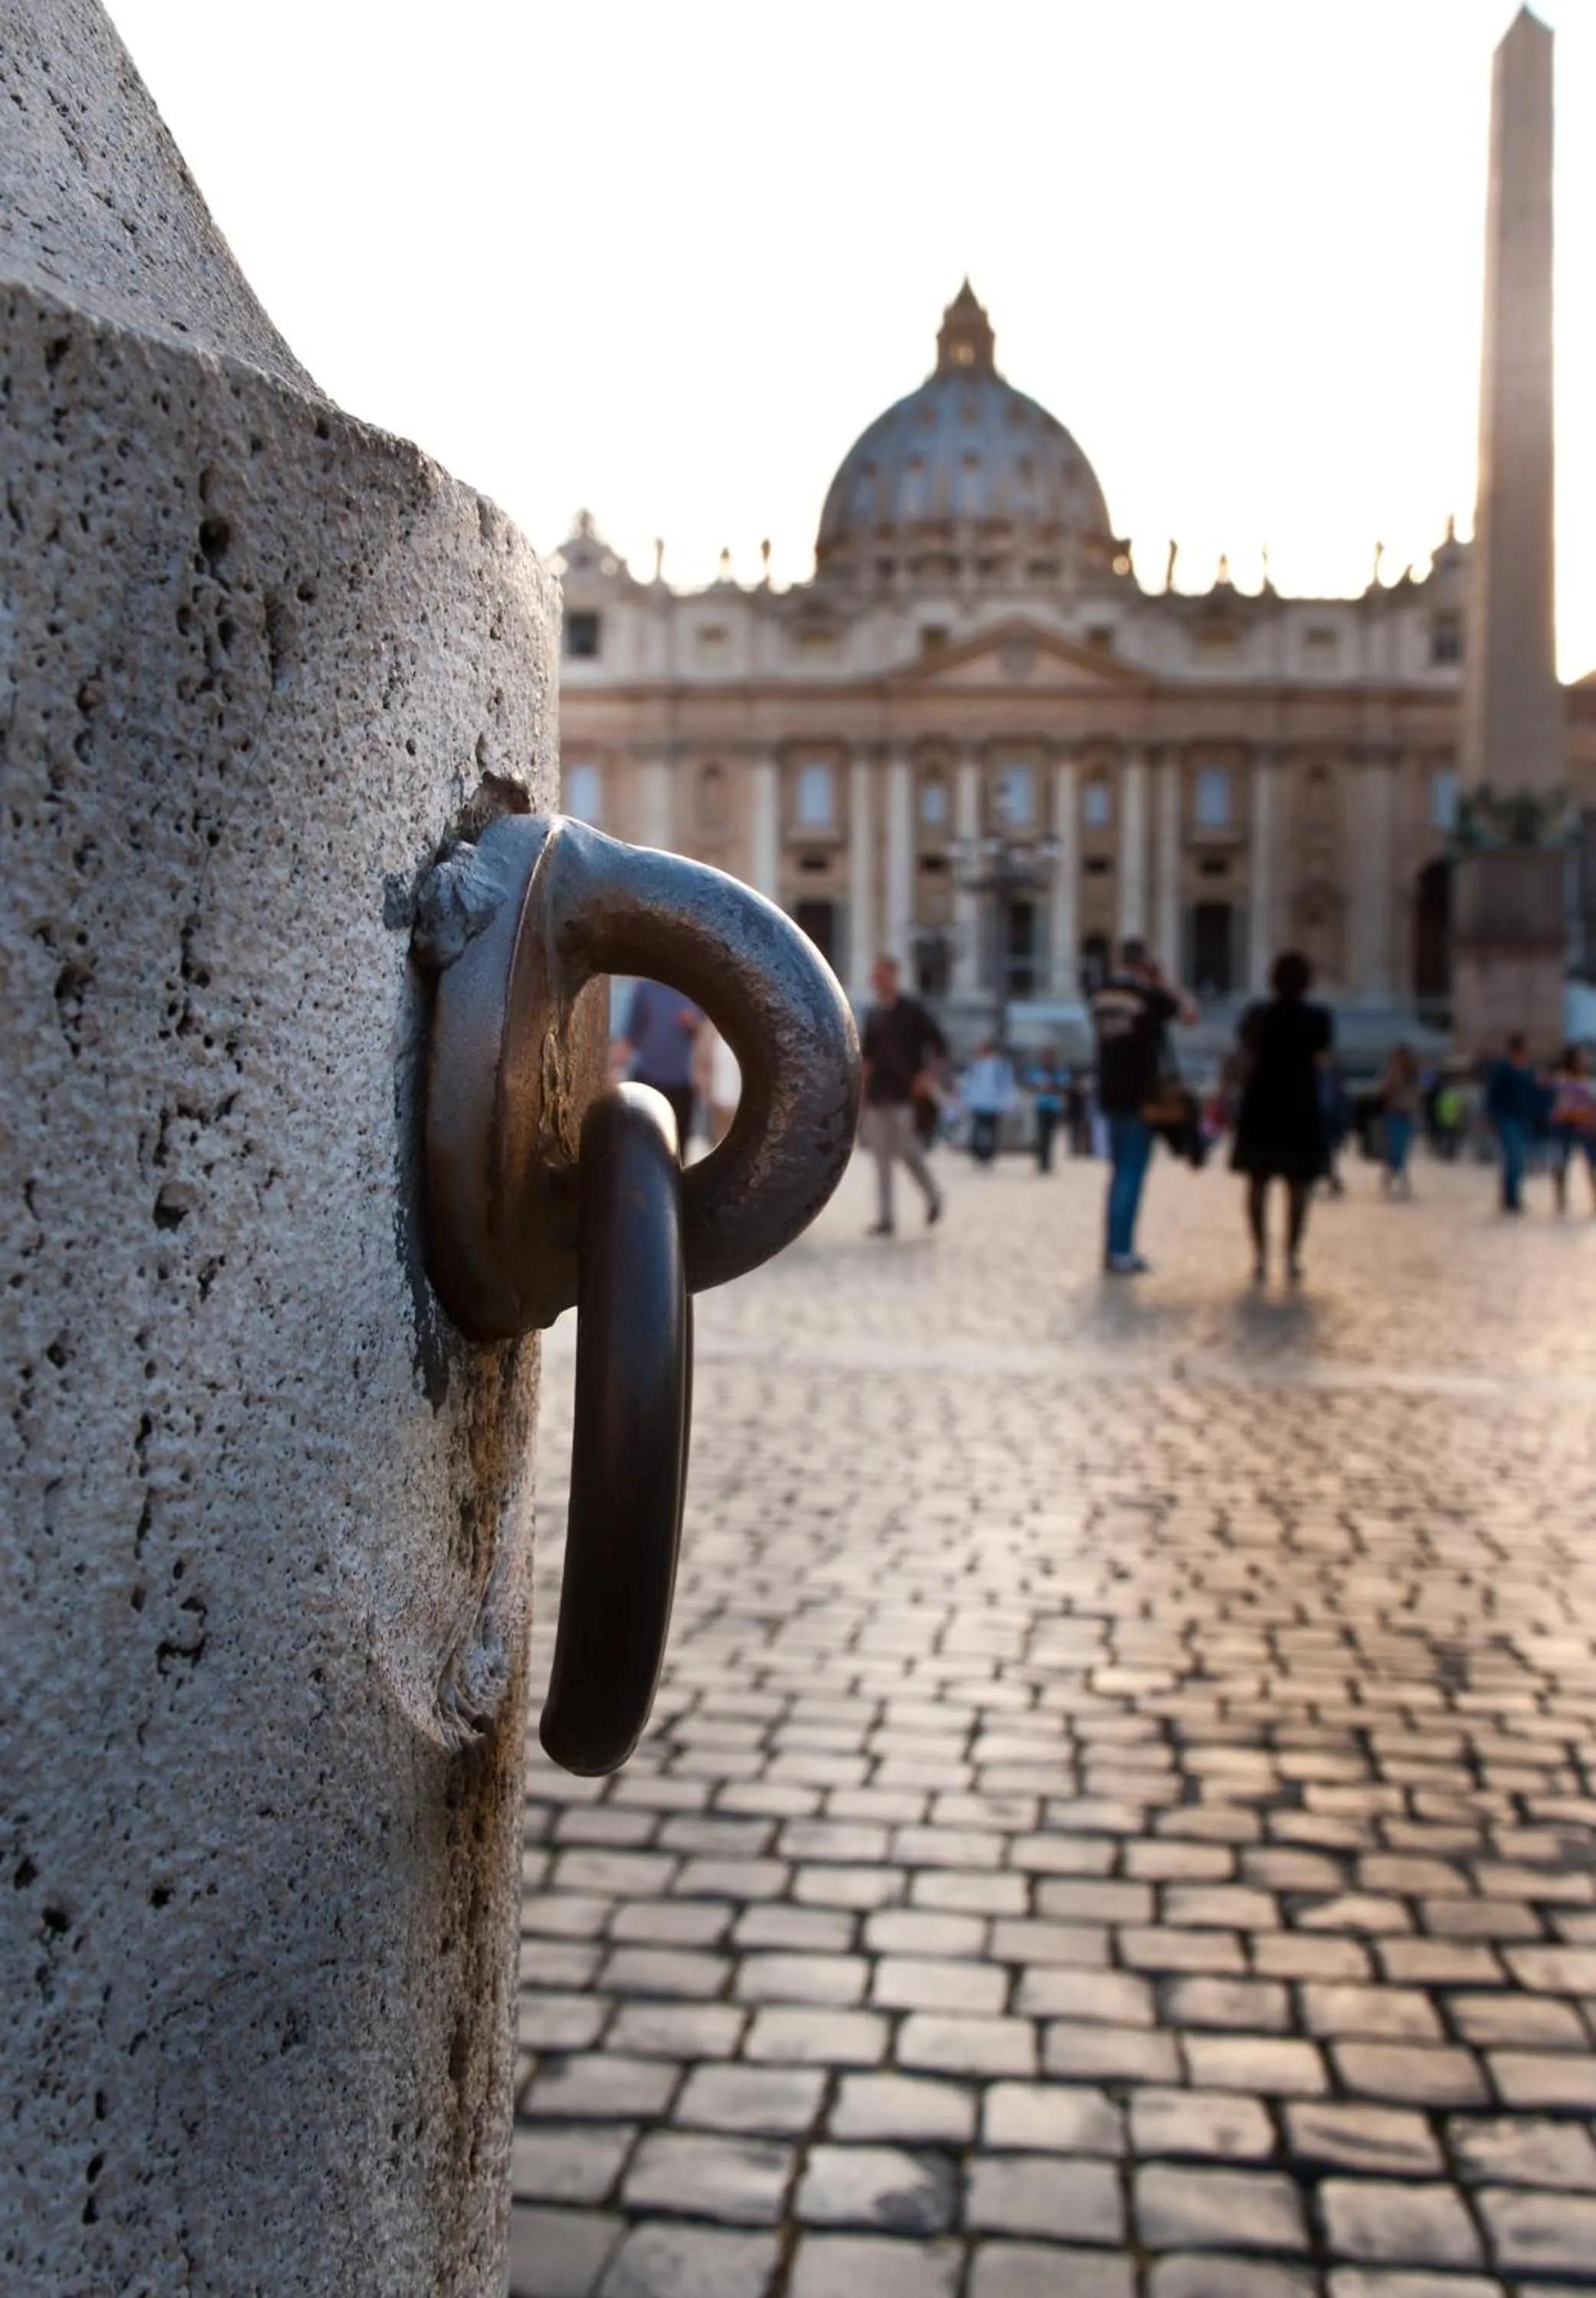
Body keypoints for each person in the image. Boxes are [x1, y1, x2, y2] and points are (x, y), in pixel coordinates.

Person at [1090, 938, 1198, 1275]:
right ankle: (1123, 1250)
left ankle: (1112, 1246)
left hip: (1109, 1090)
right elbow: (1189, 1014)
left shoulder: (1101, 996)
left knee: (1118, 1172)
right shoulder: (1148, 996)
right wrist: (1162, 981)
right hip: (1142, 1092)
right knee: (1131, 1174)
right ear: (1144, 964)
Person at [1229, 951, 1333, 1285]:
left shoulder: (1257, 1015)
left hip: (1261, 1103)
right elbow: (1323, 1060)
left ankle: (1260, 1253)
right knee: (1298, 1185)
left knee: (1258, 1183)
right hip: (1300, 1104)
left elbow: (1245, 1055)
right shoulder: (1319, 1017)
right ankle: (1291, 1254)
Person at [859, 954, 947, 1236]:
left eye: (881, 974)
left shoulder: (913, 1011)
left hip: (905, 1094)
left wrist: (927, 1076)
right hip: (877, 1095)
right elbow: (867, 1058)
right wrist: (861, 1095)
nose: (876, 981)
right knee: (881, 1158)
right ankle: (886, 1218)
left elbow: (940, 1045)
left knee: (909, 1151)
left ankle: (933, 1196)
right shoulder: (873, 1014)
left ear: (894, 975)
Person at [621, 978, 705, 1151]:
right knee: (640, 1144)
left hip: (681, 1082)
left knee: (678, 1146)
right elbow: (632, 1034)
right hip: (647, 1079)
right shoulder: (645, 989)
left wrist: (694, 1025)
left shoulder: (697, 991)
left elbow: (709, 1037)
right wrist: (611, 1068)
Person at [1485, 1032, 1549, 1214]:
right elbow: (1493, 1094)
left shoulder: (1530, 1070)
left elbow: (1537, 1095)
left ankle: (1513, 1195)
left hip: (1525, 1119)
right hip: (1507, 1117)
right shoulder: (1503, 1069)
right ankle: (1510, 1198)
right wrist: (1491, 1115)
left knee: (1520, 1160)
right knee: (1514, 1156)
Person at [1549, 1044, 1596, 1215]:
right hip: (1565, 1126)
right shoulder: (1561, 1080)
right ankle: (1561, 1199)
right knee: (1562, 1162)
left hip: (1585, 1126)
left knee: (1592, 1164)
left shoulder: (1587, 1080)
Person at [963, 1039, 1016, 1165]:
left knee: (992, 1131)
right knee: (977, 1130)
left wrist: (1008, 1101)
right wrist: (966, 1099)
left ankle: (988, 1155)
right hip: (978, 1102)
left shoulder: (1001, 1065)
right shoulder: (975, 1065)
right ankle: (977, 1153)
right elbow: (969, 1082)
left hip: (994, 1103)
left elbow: (1006, 1084)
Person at [1379, 1043, 1421, 1198]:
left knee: (1402, 1148)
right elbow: (1384, 1091)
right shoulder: (1391, 1074)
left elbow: (1422, 1088)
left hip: (1407, 1114)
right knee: (1394, 1148)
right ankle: (1393, 1178)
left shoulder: (1413, 1075)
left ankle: (1397, 1178)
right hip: (1394, 1113)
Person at [692, 1018, 741, 1150]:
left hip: (741, 1107)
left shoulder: (746, 1031)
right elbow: (699, 1065)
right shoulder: (710, 1029)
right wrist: (704, 1093)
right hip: (717, 1105)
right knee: (718, 1147)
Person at [1028, 1049, 1068, 1174]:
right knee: (1041, 1134)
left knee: (1050, 1135)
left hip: (1054, 1106)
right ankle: (1041, 1160)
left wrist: (1050, 1086)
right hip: (1040, 1105)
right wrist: (1039, 1086)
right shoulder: (1036, 1070)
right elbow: (1030, 1084)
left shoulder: (1060, 1071)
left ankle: (1047, 1161)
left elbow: (1064, 1087)